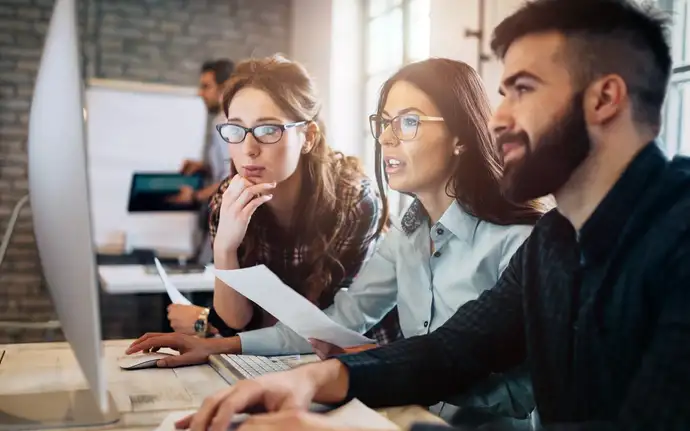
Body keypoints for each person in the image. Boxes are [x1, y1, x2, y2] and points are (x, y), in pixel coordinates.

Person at [163, 0, 690, 430]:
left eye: (523, 90)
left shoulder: (678, 237)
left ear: (605, 98)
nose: (499, 117)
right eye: (502, 92)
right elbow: (449, 351)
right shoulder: (555, 239)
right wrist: (308, 381)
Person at [128, 58, 546, 424]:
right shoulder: (406, 235)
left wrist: (383, 378)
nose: (385, 138)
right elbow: (338, 322)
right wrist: (219, 345)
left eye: (409, 122)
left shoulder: (521, 244)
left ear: (461, 136)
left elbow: (524, 389)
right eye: (384, 122)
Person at [134, 54, 399, 346]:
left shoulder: (352, 200)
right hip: (276, 357)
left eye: (269, 129)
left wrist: (205, 322)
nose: (248, 149)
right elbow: (236, 319)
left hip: (361, 360)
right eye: (236, 129)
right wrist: (225, 246)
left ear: (308, 136)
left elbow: (319, 327)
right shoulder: (227, 198)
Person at [165, 59, 236, 332]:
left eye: (206, 86)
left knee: (212, 295)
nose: (200, 93)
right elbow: (222, 169)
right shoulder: (219, 121)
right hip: (212, 222)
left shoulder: (228, 124)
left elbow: (230, 179)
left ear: (224, 87)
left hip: (222, 223)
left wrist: (194, 195)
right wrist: (202, 166)